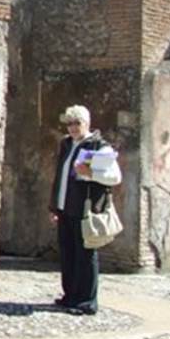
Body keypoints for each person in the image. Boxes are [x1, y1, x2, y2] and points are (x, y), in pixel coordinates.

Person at [48, 105, 122, 315]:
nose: (72, 128)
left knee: (85, 254)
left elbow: (115, 177)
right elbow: (60, 177)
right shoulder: (66, 144)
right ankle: (70, 296)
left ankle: (86, 301)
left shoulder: (100, 146)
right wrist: (54, 207)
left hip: (85, 209)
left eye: (76, 123)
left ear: (87, 123)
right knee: (68, 253)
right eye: (69, 123)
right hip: (65, 208)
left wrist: (90, 172)